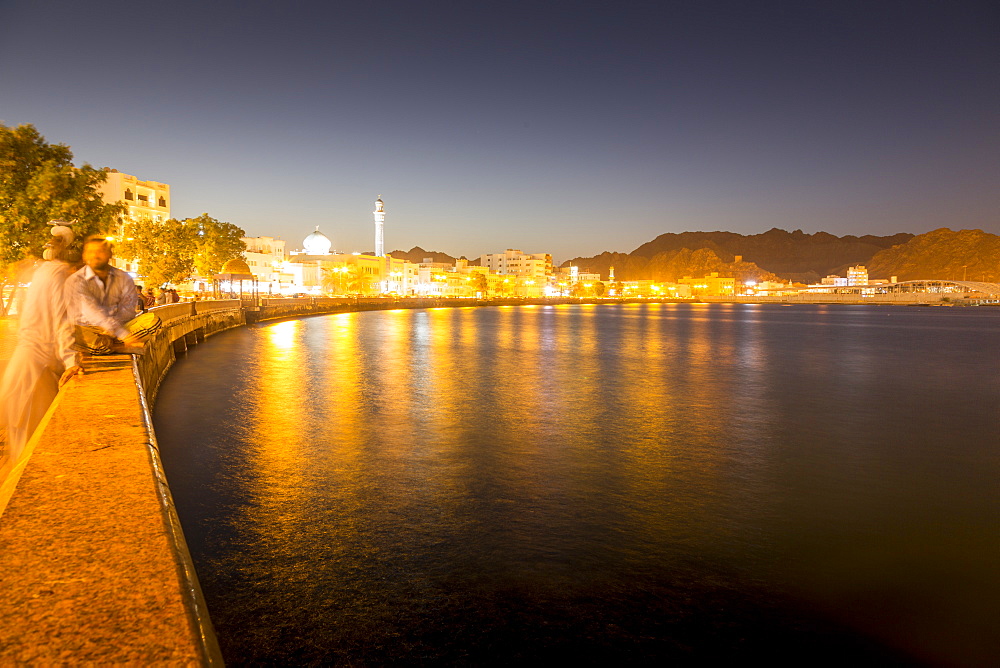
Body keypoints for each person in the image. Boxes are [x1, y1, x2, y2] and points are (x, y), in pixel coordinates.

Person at [0, 222, 82, 464]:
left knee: (20, 425)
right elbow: (61, 318)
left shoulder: (41, 272)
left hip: (28, 356)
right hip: (38, 362)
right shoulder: (58, 274)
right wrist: (70, 360)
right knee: (34, 429)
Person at [65, 236, 161, 354]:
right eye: (90, 252)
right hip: (86, 329)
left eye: (100, 251)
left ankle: (108, 345)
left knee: (153, 321)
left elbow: (127, 311)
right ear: (84, 255)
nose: (95, 255)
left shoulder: (124, 278)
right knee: (67, 331)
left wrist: (114, 328)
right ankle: (113, 346)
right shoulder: (76, 280)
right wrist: (121, 333)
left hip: (117, 328)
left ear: (110, 254)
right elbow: (90, 311)